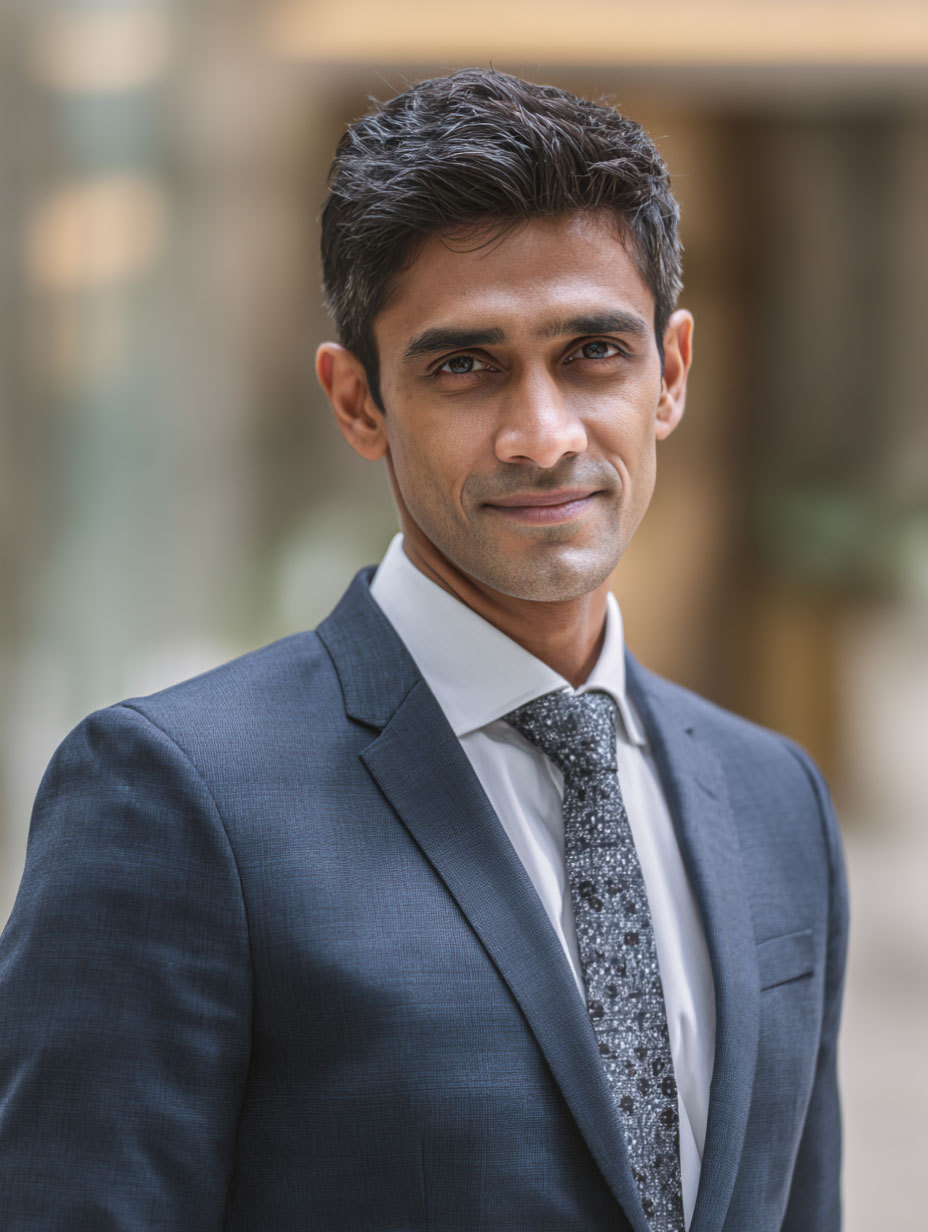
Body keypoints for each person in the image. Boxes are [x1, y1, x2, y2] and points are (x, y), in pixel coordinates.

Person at [0, 69, 848, 1232]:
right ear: (356, 402)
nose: (542, 435)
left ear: (672, 373)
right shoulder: (174, 800)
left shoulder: (776, 802)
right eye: (464, 365)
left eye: (594, 351)